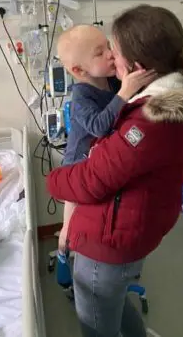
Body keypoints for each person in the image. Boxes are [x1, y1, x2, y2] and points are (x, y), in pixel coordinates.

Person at [47, 5, 183, 337]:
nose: (112, 58)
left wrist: (51, 182)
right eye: (104, 51)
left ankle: (67, 240)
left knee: (99, 316)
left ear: (138, 66)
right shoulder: (161, 94)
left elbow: (91, 179)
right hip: (124, 220)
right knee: (110, 302)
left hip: (111, 238)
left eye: (113, 50)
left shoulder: (148, 118)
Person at [56, 24, 157, 255]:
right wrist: (124, 92)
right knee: (69, 228)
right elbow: (99, 126)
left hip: (97, 161)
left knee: (93, 218)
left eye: (108, 46)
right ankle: (64, 257)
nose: (110, 54)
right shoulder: (81, 95)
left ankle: (90, 251)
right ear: (79, 70)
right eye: (100, 53)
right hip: (77, 167)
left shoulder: (110, 81)